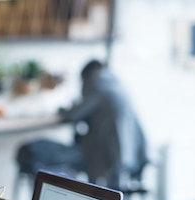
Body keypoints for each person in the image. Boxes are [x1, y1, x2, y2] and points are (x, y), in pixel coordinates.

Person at [58, 59, 148, 189]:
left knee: (80, 150)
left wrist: (63, 110)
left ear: (86, 76)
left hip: (110, 151)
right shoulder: (116, 82)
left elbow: (74, 115)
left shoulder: (98, 85)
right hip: (128, 148)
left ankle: (86, 196)